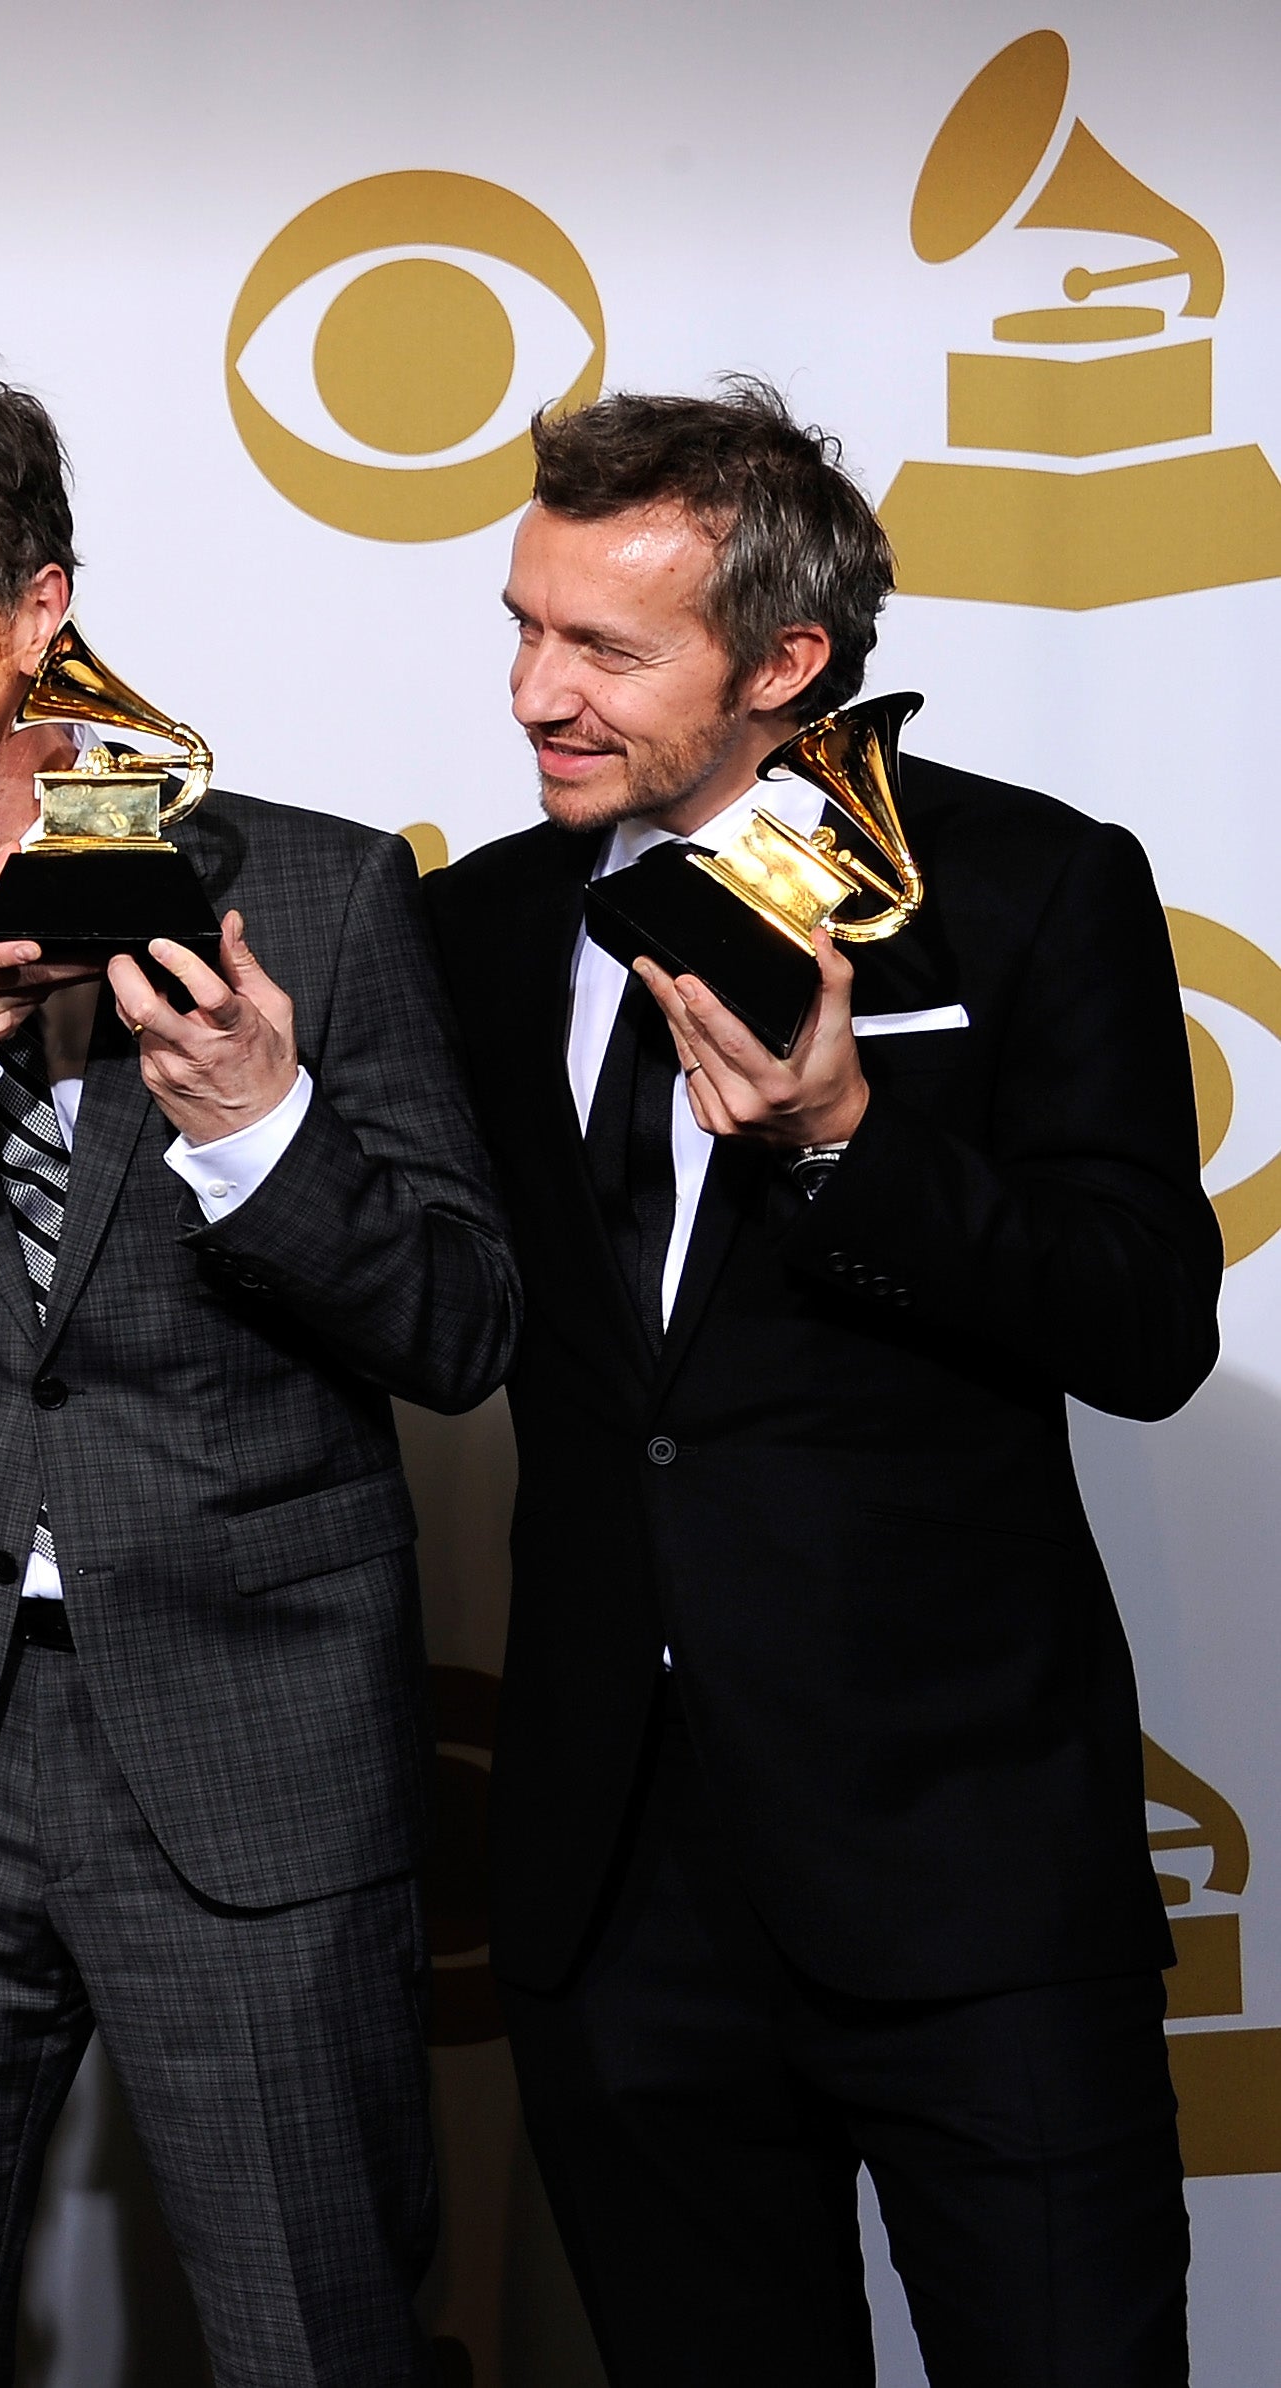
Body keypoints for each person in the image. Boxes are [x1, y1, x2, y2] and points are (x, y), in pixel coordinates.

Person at [0, 349, 520, 2387]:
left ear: (37, 608)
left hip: (246, 1745)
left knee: (314, 2336)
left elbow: (458, 1327)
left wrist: (256, 1124)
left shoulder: (313, 891)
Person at [427, 383, 1211, 2383]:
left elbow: (1140, 1324)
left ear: (782, 661)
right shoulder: (478, 930)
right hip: (614, 1895)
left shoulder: (1028, 887)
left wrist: (850, 1132)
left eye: (598, 646)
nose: (531, 689)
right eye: (517, 623)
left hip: (960, 1878)